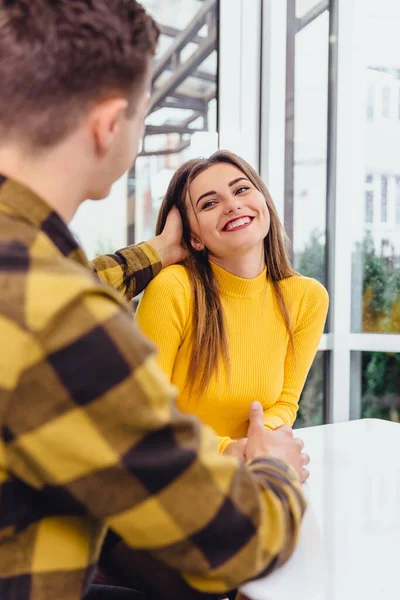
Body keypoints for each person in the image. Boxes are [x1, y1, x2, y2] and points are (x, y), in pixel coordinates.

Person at [0, 2, 309, 600]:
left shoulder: (33, 270)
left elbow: (73, 278)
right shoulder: (61, 317)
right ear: (110, 124)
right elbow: (234, 538)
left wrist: (155, 252)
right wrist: (276, 469)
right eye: (144, 115)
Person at [133, 152, 329, 460]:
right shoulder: (173, 289)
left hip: (253, 471)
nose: (232, 205)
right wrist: (229, 450)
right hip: (176, 477)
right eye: (209, 204)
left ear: (263, 202)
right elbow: (144, 415)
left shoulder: (307, 298)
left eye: (241, 190)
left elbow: (285, 404)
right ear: (194, 237)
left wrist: (257, 445)